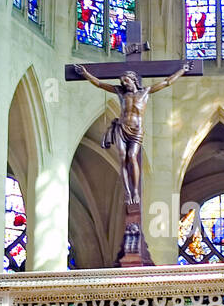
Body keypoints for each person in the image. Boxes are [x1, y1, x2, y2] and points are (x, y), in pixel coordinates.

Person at [74, 62, 192, 205]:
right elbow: (99, 83)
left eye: (126, 80)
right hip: (121, 128)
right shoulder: (120, 92)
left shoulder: (145, 92)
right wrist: (85, 74)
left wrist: (182, 70)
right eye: (122, 81)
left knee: (132, 156)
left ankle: (135, 191)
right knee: (123, 157)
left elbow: (167, 82)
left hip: (136, 130)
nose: (124, 83)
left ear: (134, 80)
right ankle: (127, 192)